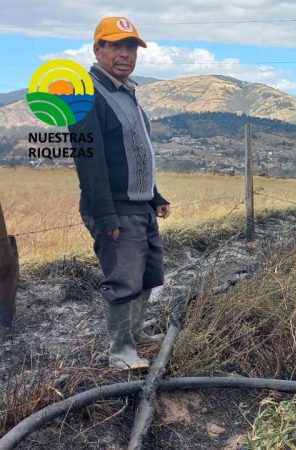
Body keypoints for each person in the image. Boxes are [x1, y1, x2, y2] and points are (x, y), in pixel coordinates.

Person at [69, 17, 170, 370]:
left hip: (139, 205)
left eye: (131, 47)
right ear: (98, 49)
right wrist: (105, 214)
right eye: (115, 46)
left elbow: (138, 152)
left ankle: (137, 335)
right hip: (114, 208)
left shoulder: (128, 94)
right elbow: (89, 162)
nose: (125, 54)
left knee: (149, 274)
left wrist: (155, 195)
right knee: (123, 279)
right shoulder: (85, 95)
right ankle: (121, 352)